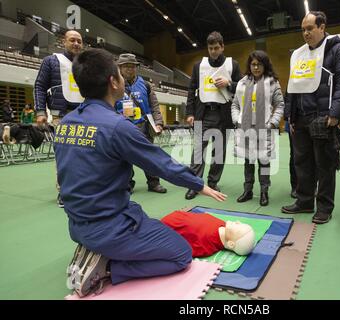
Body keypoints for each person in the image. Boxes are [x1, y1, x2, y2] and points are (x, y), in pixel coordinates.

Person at [57, 48, 226, 298]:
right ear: (113, 82)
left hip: (76, 227)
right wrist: (198, 184)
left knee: (152, 223)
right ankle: (108, 268)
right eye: (120, 73)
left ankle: (98, 251)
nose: (125, 77)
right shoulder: (116, 127)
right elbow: (161, 163)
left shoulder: (65, 125)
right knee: (181, 254)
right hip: (109, 228)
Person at [281, 11, 340, 224]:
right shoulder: (299, 54)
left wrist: (335, 113)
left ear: (322, 27)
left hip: (323, 117)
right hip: (300, 118)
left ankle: (324, 207)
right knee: (302, 163)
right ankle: (304, 201)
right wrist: (289, 115)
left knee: (325, 165)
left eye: (310, 28)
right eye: (303, 29)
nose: (306, 33)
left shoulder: (338, 49)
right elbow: (291, 87)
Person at [184, 31, 241, 200]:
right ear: (207, 49)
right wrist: (190, 112)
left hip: (224, 115)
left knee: (219, 153)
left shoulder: (233, 65)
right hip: (203, 113)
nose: (214, 51)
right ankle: (195, 184)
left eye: (217, 48)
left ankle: (213, 182)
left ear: (222, 47)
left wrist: (229, 83)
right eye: (211, 48)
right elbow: (191, 89)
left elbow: (243, 86)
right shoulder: (198, 66)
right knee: (198, 151)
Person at [34, 30, 84, 208]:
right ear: (64, 42)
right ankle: (64, 191)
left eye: (79, 41)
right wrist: (40, 111)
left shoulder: (85, 65)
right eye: (72, 40)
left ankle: (83, 189)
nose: (76, 44)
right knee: (65, 155)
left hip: (84, 115)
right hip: (60, 116)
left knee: (86, 154)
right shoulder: (51, 61)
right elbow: (39, 86)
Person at [231, 50, 284, 206]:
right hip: (245, 128)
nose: (256, 67)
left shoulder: (272, 83)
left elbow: (279, 105)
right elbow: (235, 104)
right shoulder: (242, 83)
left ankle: (264, 192)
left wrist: (272, 123)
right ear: (249, 65)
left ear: (265, 65)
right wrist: (236, 120)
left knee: (264, 162)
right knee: (248, 161)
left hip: (264, 129)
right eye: (253, 64)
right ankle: (248, 191)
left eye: (259, 64)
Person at [115, 53, 167, 194]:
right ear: (119, 67)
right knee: (124, 159)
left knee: (149, 157)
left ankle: (154, 183)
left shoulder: (146, 85)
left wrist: (158, 123)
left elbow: (155, 106)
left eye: (132, 66)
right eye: (126, 66)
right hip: (122, 127)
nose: (130, 69)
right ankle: (127, 184)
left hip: (143, 126)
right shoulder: (113, 85)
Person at [161, 211, 255, 257]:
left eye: (238, 228)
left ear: (231, 244)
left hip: (165, 230)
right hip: (174, 218)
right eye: (241, 223)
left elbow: (182, 249)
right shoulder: (222, 224)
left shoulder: (206, 246)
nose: (238, 222)